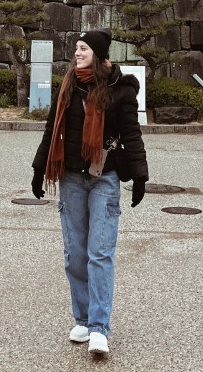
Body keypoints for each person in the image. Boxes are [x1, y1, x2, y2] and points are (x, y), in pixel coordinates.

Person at [31, 29, 148, 357]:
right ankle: (82, 318)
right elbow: (50, 127)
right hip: (70, 179)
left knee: (99, 253)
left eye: (83, 49)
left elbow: (132, 134)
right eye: (77, 48)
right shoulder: (68, 85)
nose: (77, 53)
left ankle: (99, 327)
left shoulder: (119, 90)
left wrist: (139, 176)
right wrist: (39, 169)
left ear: (97, 53)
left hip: (104, 179)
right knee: (76, 254)